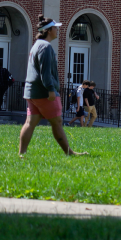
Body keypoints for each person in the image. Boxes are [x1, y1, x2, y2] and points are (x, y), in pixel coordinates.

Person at [19, 15, 86, 158]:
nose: (57, 30)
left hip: (31, 91)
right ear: (48, 30)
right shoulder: (46, 47)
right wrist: (50, 89)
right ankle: (70, 152)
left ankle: (22, 153)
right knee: (57, 121)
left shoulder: (36, 45)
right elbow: (45, 72)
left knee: (30, 122)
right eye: (56, 28)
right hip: (44, 92)